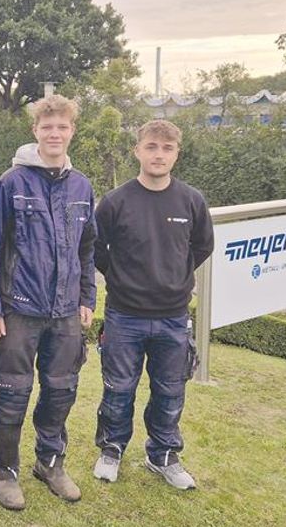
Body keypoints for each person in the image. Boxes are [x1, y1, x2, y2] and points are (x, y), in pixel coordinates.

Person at [0, 94, 96, 510]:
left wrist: (86, 296)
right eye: (48, 127)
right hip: (19, 310)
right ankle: (4, 471)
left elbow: (87, 249)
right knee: (12, 391)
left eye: (62, 127)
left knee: (61, 391)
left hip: (64, 313)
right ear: (36, 131)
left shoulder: (82, 185)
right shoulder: (12, 183)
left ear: (71, 131)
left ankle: (50, 463)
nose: (55, 133)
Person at [92, 119, 214, 490]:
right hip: (123, 315)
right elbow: (96, 249)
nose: (158, 155)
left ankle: (162, 455)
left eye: (167, 148)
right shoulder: (116, 201)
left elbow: (202, 246)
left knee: (170, 390)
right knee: (118, 389)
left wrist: (174, 277)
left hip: (173, 318)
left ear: (177, 153)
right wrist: (123, 279)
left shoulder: (191, 201)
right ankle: (111, 450)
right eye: (151, 147)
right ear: (138, 151)